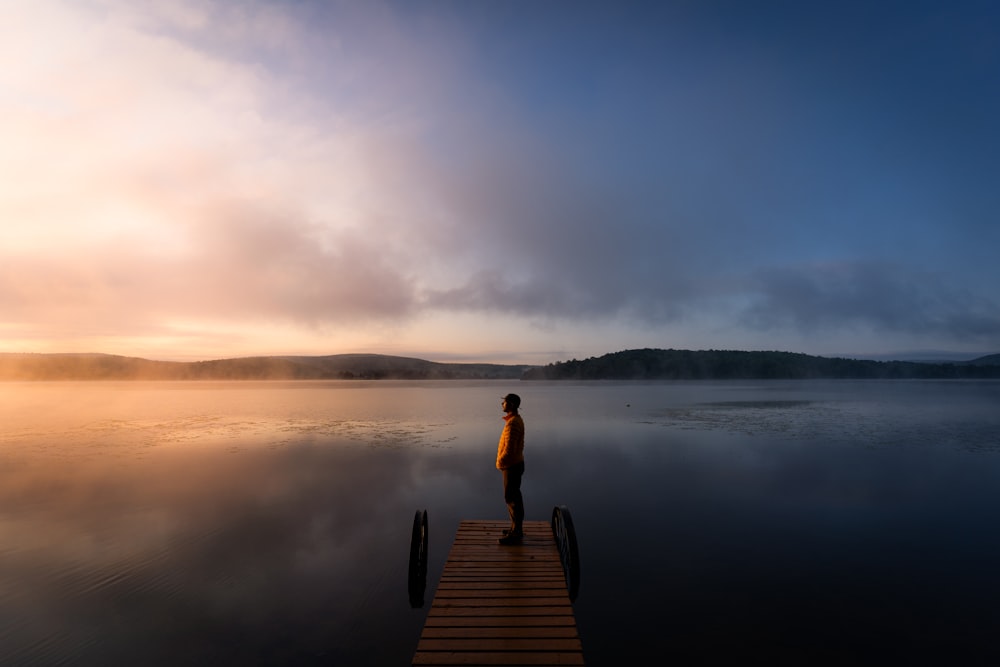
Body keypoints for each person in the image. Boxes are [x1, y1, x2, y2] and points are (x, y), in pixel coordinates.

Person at [496, 393, 525, 545]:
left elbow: (510, 450)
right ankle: (515, 528)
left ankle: (517, 532)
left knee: (512, 498)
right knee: (513, 497)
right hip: (515, 464)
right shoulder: (514, 420)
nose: (502, 405)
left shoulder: (513, 423)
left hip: (512, 465)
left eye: (504, 402)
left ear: (511, 405)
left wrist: (500, 463)